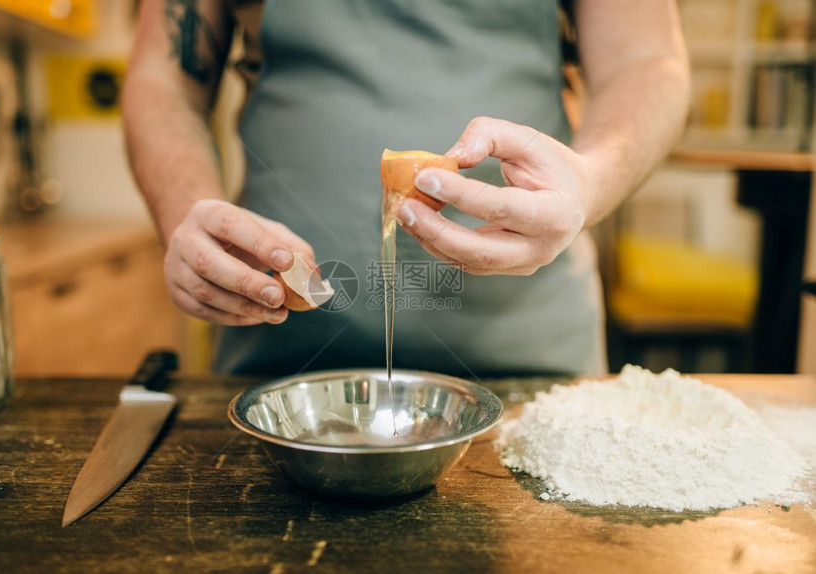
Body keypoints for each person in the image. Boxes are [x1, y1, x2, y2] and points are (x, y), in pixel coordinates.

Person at [122, 0, 690, 377]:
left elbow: (647, 61)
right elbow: (164, 75)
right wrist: (187, 213)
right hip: (280, 365)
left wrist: (587, 181)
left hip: (530, 363)